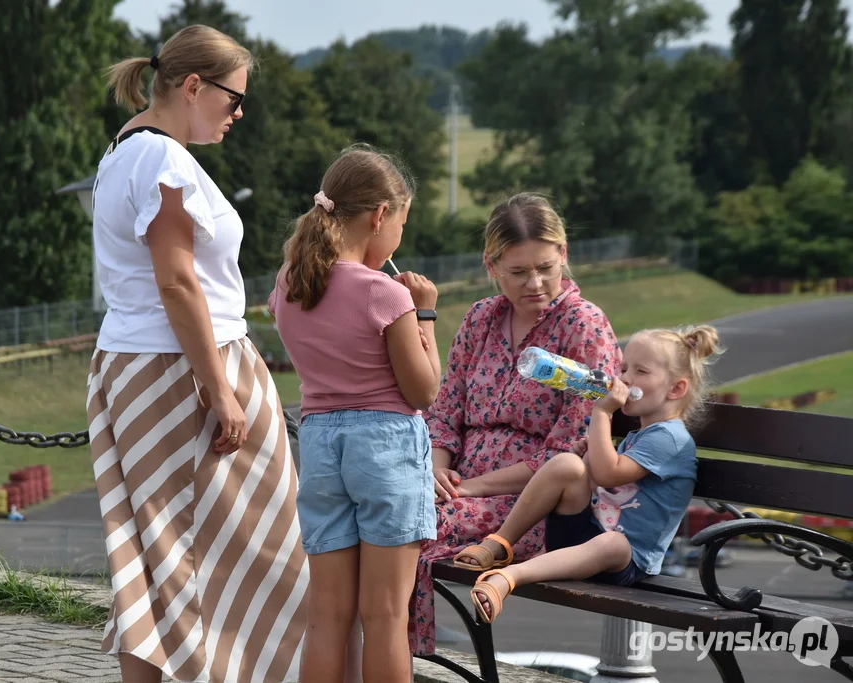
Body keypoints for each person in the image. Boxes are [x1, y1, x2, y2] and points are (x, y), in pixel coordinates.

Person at [85, 25, 307, 683]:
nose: (238, 113)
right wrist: (218, 385)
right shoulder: (162, 160)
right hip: (182, 370)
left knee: (154, 557)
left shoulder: (124, 151)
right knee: (264, 552)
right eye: (234, 98)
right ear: (191, 86)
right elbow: (177, 280)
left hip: (141, 367)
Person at [408, 193, 622, 656]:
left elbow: (567, 450)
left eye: (546, 267)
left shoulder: (584, 326)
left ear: (564, 255)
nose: (536, 282)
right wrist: (437, 469)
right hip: (457, 486)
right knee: (379, 514)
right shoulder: (482, 318)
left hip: (532, 507)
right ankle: (380, 654)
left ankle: (406, 658)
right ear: (492, 265)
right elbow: (446, 411)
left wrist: (465, 488)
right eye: (519, 271)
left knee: (409, 526)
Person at [268, 145, 442, 683]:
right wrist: (426, 314)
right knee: (386, 616)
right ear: (380, 216)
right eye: (402, 225)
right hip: (385, 445)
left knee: (328, 616)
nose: (398, 241)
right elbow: (423, 391)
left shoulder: (288, 285)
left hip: (320, 444)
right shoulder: (384, 293)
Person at [466, 325, 721, 622]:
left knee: (614, 543)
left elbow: (607, 475)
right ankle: (498, 544)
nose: (625, 379)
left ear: (676, 389)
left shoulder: (671, 439)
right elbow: (598, 483)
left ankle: (508, 577)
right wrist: (584, 459)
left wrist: (601, 414)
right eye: (624, 368)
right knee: (566, 465)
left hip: (622, 562)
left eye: (641, 371)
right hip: (585, 537)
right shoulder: (640, 435)